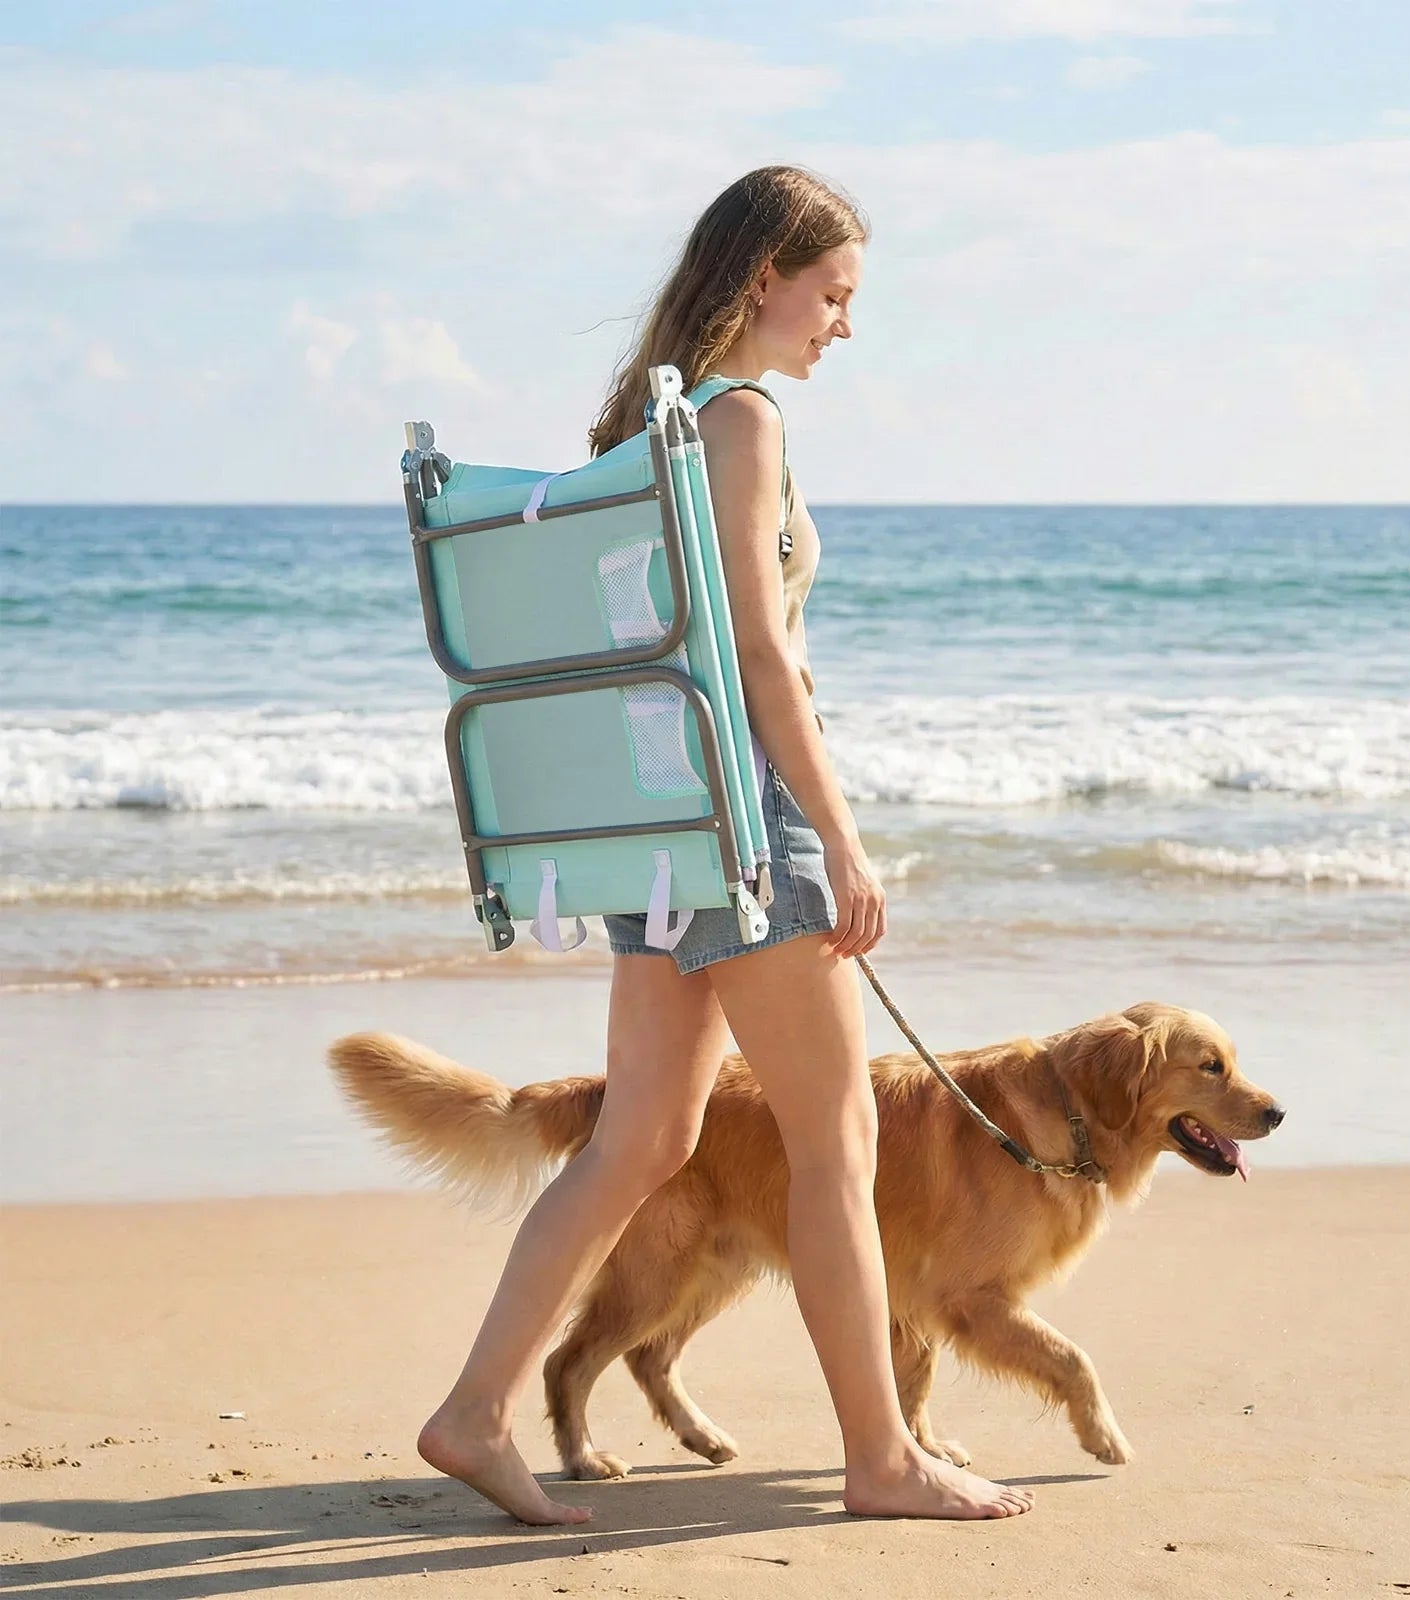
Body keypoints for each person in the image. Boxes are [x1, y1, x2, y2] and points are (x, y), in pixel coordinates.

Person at [417, 165, 1034, 1523]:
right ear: (767, 279)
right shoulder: (741, 420)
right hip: (749, 823)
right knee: (837, 1147)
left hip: (666, 825)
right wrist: (844, 840)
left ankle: (474, 1412)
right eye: (835, 293)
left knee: (639, 1139)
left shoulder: (652, 429)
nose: (845, 325)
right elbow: (762, 656)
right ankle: (881, 1462)